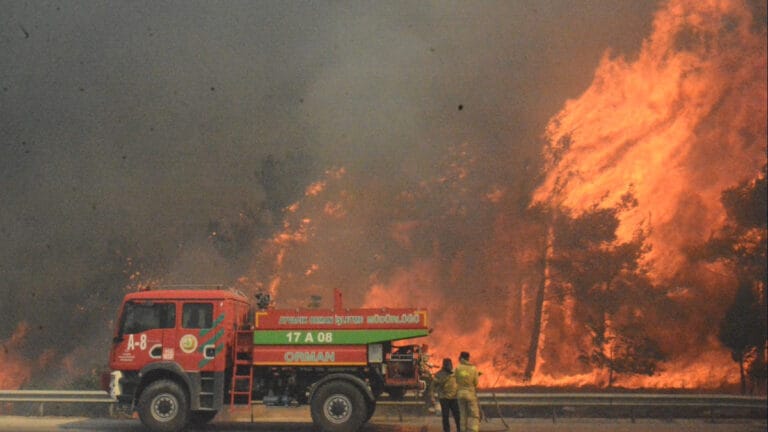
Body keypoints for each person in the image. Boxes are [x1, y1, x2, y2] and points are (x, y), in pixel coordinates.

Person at [432, 358, 460, 432]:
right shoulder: (439, 374)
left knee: (457, 415)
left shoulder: (455, 373)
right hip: (444, 398)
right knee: (445, 416)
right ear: (444, 365)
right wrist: (432, 397)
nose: (450, 366)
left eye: (450, 364)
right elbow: (433, 386)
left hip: (454, 398)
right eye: (448, 365)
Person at [455, 351, 480, 432]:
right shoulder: (473, 368)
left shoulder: (458, 368)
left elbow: (456, 380)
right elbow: (476, 383)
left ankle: (463, 430)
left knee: (463, 414)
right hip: (470, 394)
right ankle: (473, 430)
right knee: (474, 414)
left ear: (461, 358)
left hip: (460, 394)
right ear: (468, 358)